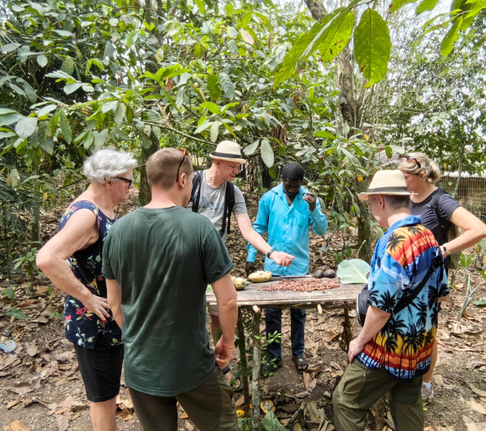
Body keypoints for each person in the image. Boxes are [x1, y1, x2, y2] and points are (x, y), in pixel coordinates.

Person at [102, 148, 238, 431]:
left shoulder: (117, 231)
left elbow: (114, 305)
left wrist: (142, 342)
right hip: (193, 364)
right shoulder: (200, 228)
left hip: (142, 366)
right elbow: (227, 301)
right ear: (183, 179)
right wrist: (227, 342)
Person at [332, 170, 449, 431]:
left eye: (371, 202)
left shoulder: (392, 243)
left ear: (381, 201)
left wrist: (359, 340)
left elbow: (381, 308)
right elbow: (441, 291)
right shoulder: (429, 237)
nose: (372, 208)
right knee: (407, 405)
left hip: (390, 348)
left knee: (345, 401)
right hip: (420, 345)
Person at [36, 149, 136, 431]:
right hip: (95, 323)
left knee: (109, 395)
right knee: (103, 399)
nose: (131, 187)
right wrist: (87, 297)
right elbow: (46, 259)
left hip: (108, 316)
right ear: (109, 181)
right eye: (128, 181)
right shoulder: (86, 214)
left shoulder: (100, 208)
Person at [398, 152, 486, 399]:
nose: (402, 179)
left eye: (406, 176)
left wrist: (443, 250)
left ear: (422, 175)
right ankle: (406, 375)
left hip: (429, 278)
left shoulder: (440, 200)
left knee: (427, 331)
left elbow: (480, 229)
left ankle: (426, 385)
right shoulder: (405, 196)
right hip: (404, 276)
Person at [190, 140, 294, 336]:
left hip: (215, 259)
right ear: (218, 162)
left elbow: (248, 230)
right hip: (187, 258)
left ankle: (220, 358)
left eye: (238, 167)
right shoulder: (191, 182)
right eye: (233, 166)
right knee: (188, 313)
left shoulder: (233, 192)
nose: (237, 171)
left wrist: (272, 254)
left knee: (219, 313)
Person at [246, 163, 328, 373]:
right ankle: (274, 357)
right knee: (272, 313)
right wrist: (251, 256)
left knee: (298, 313)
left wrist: (314, 209)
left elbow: (321, 230)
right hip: (273, 267)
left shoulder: (308, 200)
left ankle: (298, 353)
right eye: (287, 184)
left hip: (299, 268)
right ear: (282, 180)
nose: (290, 188)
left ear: (301, 183)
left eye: (294, 185)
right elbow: (257, 229)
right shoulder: (269, 198)